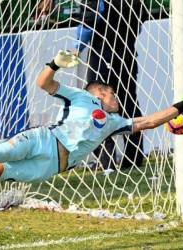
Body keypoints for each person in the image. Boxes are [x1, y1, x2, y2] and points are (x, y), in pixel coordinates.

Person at [0, 51, 183, 183]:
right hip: (42, 139)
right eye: (113, 94)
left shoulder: (114, 123)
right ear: (99, 92)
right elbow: (43, 84)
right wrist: (54, 65)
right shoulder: (80, 96)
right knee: (2, 150)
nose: (117, 98)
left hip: (51, 167)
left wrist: (181, 106)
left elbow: (148, 121)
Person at [72, 0, 147, 169]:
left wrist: (77, 47)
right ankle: (134, 158)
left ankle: (107, 162)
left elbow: (90, 18)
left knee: (97, 107)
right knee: (128, 103)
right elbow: (140, 18)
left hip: (102, 54)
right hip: (127, 53)